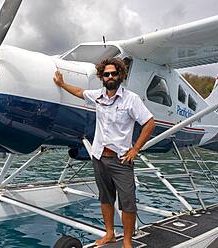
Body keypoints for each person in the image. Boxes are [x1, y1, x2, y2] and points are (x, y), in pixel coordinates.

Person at [53, 58, 155, 248]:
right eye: (106, 74)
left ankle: (127, 241)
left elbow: (149, 123)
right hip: (99, 156)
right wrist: (61, 84)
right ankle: (110, 234)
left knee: (128, 203)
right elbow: (79, 92)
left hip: (121, 160)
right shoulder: (97, 95)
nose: (110, 77)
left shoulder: (131, 99)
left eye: (114, 74)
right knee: (106, 198)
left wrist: (135, 149)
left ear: (120, 76)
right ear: (102, 77)